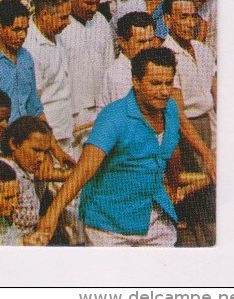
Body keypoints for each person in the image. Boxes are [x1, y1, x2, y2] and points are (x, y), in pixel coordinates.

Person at [37, 48, 182, 247]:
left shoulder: (171, 109)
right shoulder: (114, 117)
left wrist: (174, 186)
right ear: (136, 82)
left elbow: (173, 150)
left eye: (169, 83)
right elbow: (85, 169)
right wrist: (52, 215)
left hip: (155, 223)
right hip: (109, 227)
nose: (164, 91)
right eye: (156, 84)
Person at [161, 0, 216, 176]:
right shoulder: (166, 56)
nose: (191, 23)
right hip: (188, 131)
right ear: (168, 20)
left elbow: (216, 91)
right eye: (183, 17)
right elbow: (178, 115)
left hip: (210, 122)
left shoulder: (202, 49)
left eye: (193, 16)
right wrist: (206, 154)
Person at [61, 0, 115, 147]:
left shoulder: (101, 21)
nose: (93, 9)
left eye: (96, 3)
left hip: (100, 106)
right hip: (73, 109)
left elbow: (109, 65)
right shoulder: (61, 27)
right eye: (88, 3)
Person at [23, 0, 75, 154]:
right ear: (44, 14)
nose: (69, 22)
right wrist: (49, 142)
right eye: (63, 17)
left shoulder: (57, 36)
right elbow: (34, 102)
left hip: (65, 129)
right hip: (47, 138)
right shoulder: (30, 47)